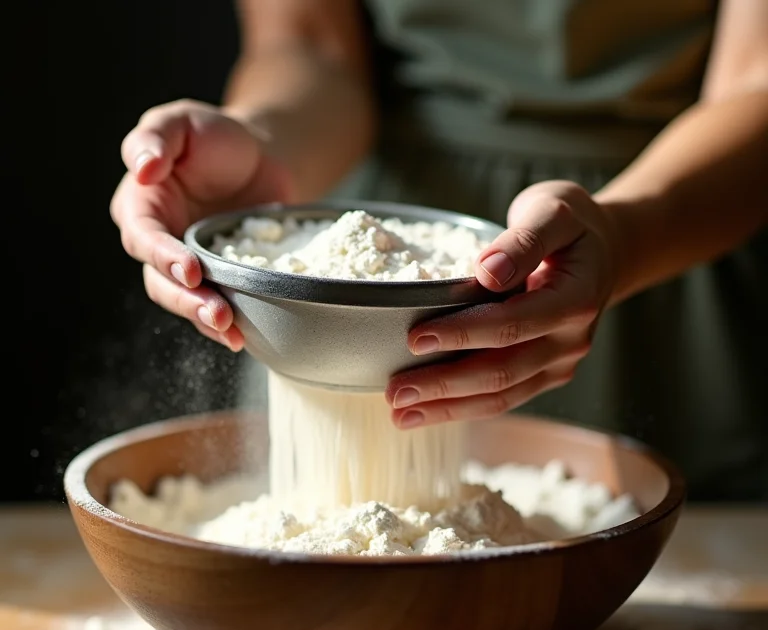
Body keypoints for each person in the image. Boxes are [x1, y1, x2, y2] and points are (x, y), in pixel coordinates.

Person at [111, 0, 768, 501]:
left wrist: (624, 237)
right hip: (355, 284)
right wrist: (262, 145)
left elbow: (755, 84)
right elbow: (311, 48)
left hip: (673, 222)